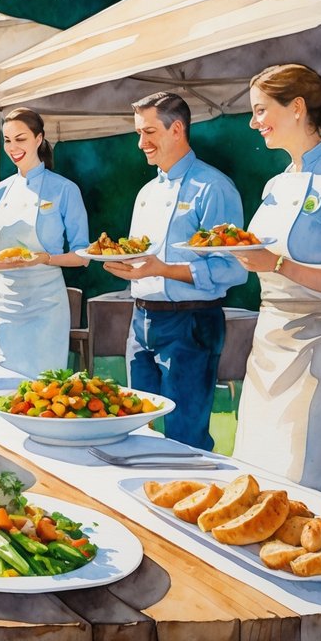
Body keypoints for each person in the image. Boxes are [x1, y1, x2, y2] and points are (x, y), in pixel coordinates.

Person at [103, 92, 245, 451]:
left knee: (186, 437)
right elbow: (141, 256)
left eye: (149, 132)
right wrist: (127, 266)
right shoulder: (147, 192)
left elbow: (232, 269)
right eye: (139, 132)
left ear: (177, 128)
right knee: (134, 430)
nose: (141, 143)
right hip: (141, 321)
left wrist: (164, 269)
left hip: (191, 324)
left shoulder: (213, 187)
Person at [229, 65, 321, 492]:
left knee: (302, 473)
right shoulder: (274, 183)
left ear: (296, 108)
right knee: (256, 468)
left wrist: (276, 265)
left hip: (317, 347)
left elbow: (279, 263)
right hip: (267, 344)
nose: (254, 123)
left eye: (260, 110)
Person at [0, 109, 89, 378]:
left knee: (41, 390)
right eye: (7, 140)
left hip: (46, 305)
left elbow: (82, 255)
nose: (13, 147)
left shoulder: (64, 189)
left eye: (21, 139)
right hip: (2, 303)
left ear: (39, 139)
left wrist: (45, 258)